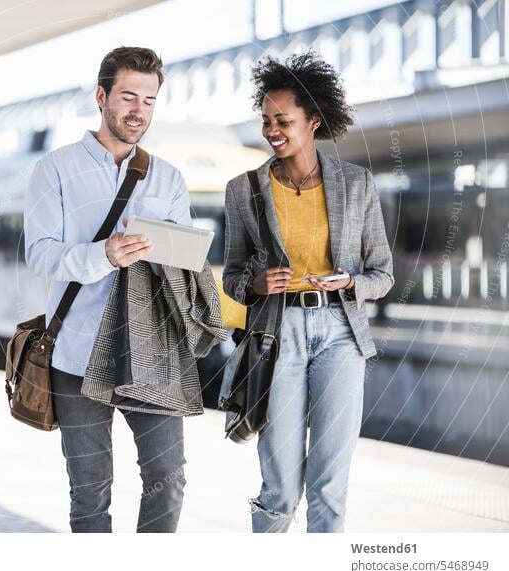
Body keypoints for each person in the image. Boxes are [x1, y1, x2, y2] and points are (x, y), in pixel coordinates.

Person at [24, 47, 194, 533]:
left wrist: (174, 255)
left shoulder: (170, 178)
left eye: (149, 99)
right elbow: (39, 254)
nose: (138, 110)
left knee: (169, 475)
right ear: (102, 97)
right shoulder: (54, 170)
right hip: (76, 353)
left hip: (151, 353)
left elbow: (183, 263)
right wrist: (105, 254)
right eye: (127, 96)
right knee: (90, 492)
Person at [222, 51, 394, 533]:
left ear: (313, 120)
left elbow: (383, 274)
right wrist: (255, 284)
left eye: (283, 120)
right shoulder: (245, 190)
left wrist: (351, 284)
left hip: (341, 333)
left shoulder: (356, 184)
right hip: (277, 337)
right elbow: (233, 276)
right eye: (266, 120)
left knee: (329, 484)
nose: (272, 130)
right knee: (279, 485)